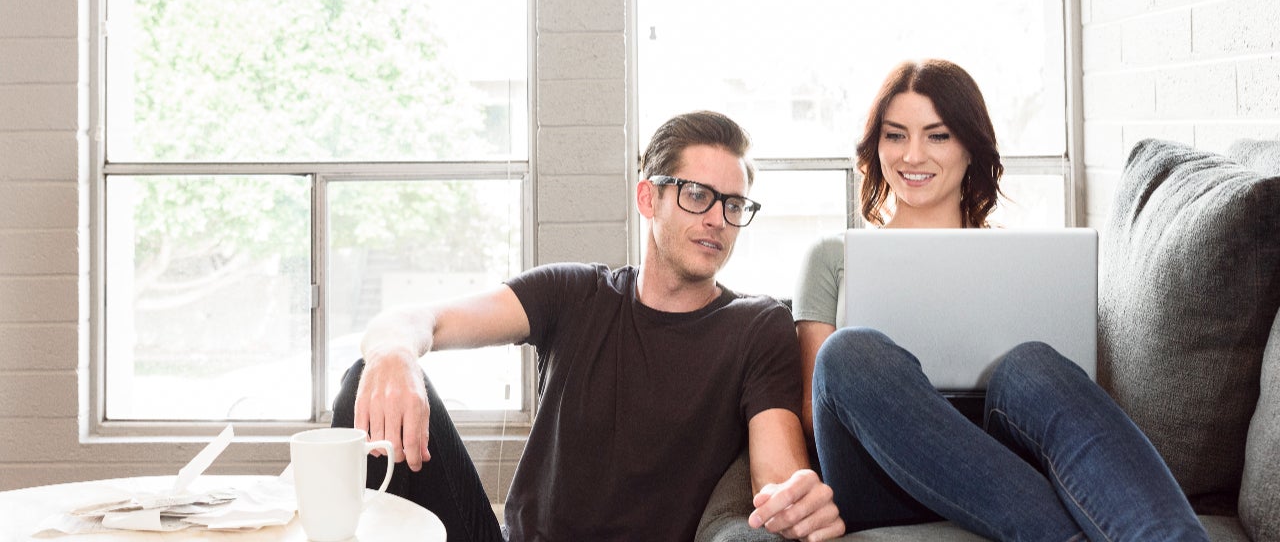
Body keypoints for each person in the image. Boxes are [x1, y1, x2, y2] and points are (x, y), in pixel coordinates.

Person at [332, 110, 846, 542]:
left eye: (733, 205)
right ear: (649, 199)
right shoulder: (573, 292)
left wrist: (797, 502)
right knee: (366, 374)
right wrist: (394, 354)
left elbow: (777, 478)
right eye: (696, 194)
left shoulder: (758, 327)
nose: (717, 218)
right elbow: (420, 320)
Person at [795, 59, 1209, 541]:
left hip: (1001, 459)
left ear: (971, 148)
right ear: (875, 146)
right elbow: (813, 408)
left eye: (938, 135)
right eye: (895, 135)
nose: (913, 155)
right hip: (881, 470)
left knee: (1031, 363)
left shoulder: (1020, 261)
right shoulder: (831, 256)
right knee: (849, 353)